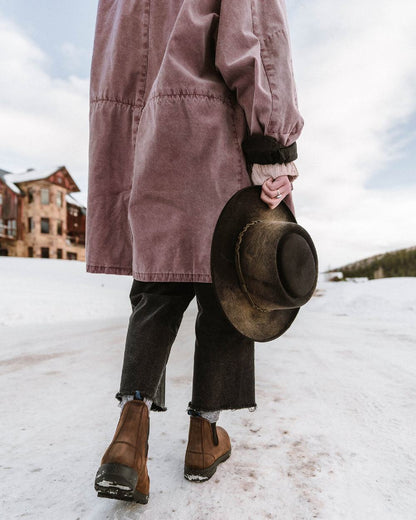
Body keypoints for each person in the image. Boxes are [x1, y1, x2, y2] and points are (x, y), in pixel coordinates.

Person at [86, 0, 304, 504]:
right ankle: (203, 439)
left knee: (158, 282)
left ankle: (128, 437)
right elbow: (253, 35)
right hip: (211, 126)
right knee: (229, 283)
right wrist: (273, 144)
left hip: (147, 135)